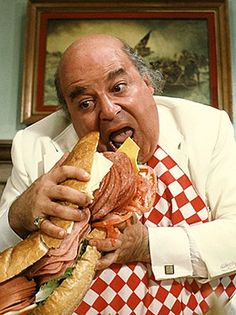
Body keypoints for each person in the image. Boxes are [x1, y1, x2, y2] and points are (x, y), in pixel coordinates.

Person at [1, 33, 236, 314]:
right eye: (86, 103)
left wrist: (146, 245)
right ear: (70, 116)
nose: (109, 111)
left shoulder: (206, 126)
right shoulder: (34, 146)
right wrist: (17, 217)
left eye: (119, 87)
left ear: (148, 84)